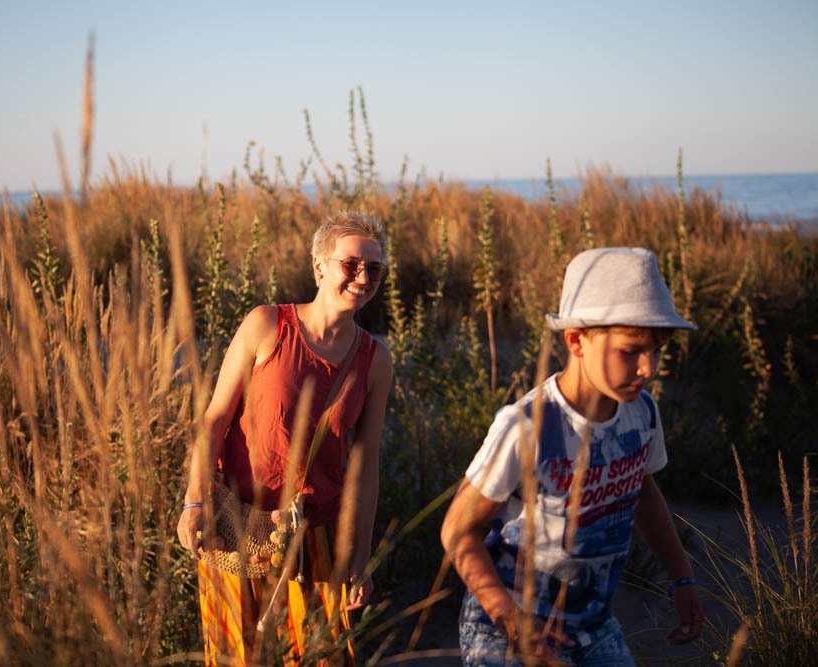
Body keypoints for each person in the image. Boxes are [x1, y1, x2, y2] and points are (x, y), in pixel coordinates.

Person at [440, 247, 703, 666]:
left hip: (593, 624)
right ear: (577, 340)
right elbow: (458, 530)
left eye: (657, 350)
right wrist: (511, 621)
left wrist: (682, 577)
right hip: (506, 626)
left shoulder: (642, 412)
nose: (648, 368)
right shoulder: (527, 425)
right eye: (630, 351)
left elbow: (643, 493)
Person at [176, 211, 393, 665]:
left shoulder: (375, 360)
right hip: (238, 530)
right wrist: (195, 501)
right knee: (236, 657)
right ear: (319, 266)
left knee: (321, 658)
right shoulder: (267, 325)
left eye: (374, 269)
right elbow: (214, 419)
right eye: (351, 265)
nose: (362, 277)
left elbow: (365, 465)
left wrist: (360, 558)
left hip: (316, 538)